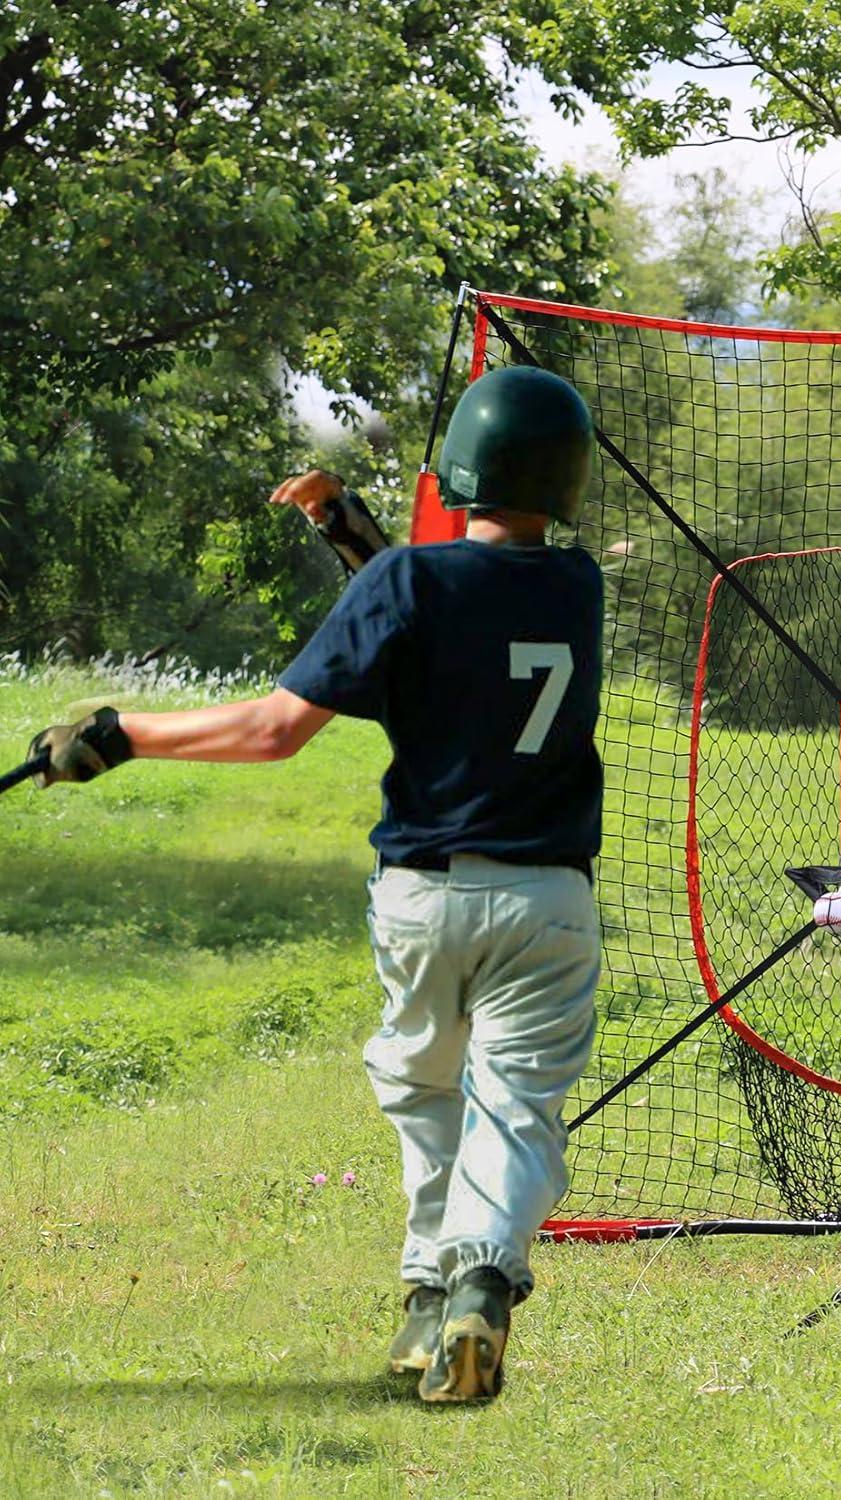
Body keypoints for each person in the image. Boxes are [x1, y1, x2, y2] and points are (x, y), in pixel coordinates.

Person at [24, 365, 605, 1404]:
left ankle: (436, 1291)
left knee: (426, 1092)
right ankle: (469, 1285)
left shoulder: (408, 585)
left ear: (462, 464)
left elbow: (275, 729)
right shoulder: (578, 589)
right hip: (547, 901)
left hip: (425, 895)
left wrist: (120, 737)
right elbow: (442, 611)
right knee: (516, 1108)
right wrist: (349, 529)